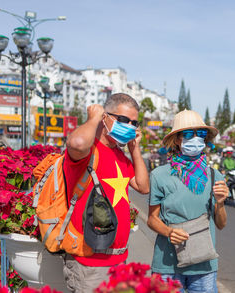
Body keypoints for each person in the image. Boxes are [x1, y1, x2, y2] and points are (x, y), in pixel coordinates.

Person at [63, 93, 150, 293]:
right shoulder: (88, 150)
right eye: (122, 120)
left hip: (119, 260)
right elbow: (75, 143)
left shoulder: (120, 155)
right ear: (105, 117)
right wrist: (93, 118)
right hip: (89, 263)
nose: (129, 125)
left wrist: (134, 148)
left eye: (134, 123)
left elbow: (143, 187)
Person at [147, 109, 229, 293]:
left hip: (204, 266)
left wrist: (221, 203)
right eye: (187, 134)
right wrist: (169, 232)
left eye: (200, 134)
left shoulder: (215, 175)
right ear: (177, 139)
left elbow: (221, 224)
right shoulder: (160, 175)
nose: (195, 139)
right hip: (167, 265)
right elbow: (152, 219)